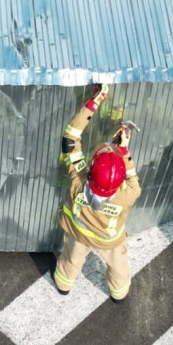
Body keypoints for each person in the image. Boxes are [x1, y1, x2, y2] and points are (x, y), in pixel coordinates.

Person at [53, 84, 141, 302]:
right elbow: (134, 181)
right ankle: (119, 293)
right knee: (118, 265)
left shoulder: (78, 179)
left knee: (72, 258)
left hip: (78, 233)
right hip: (109, 240)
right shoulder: (127, 194)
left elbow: (70, 138)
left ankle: (64, 284)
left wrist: (95, 100)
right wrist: (124, 151)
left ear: (91, 169)